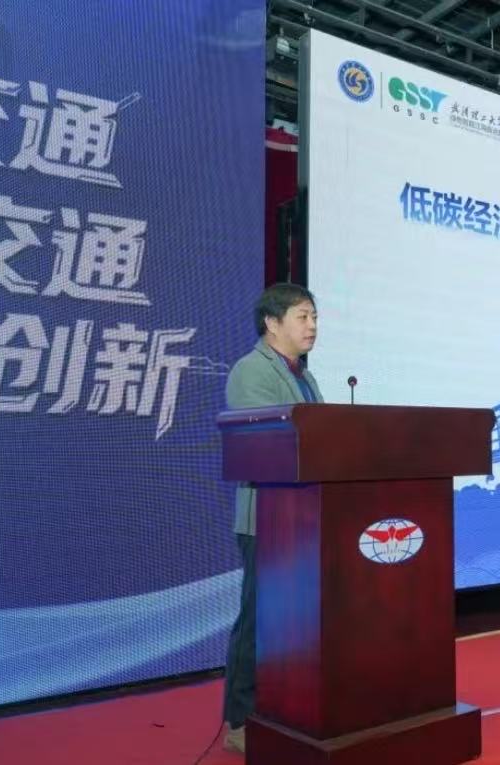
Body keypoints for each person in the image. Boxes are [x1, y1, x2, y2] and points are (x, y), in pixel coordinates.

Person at [221, 283, 323, 753]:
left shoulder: (305, 376)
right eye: (303, 316)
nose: (312, 326)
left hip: (306, 520)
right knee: (258, 621)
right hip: (267, 520)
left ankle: (286, 710)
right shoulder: (251, 371)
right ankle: (240, 721)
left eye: (314, 317)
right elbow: (265, 445)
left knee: (294, 625)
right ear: (272, 322)